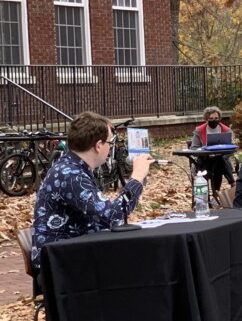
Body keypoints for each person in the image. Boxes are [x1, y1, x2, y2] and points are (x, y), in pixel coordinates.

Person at [30, 111, 154, 273]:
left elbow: (102, 216)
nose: (110, 148)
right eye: (110, 143)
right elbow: (113, 216)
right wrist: (136, 177)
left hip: (71, 252)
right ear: (98, 145)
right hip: (59, 264)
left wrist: (138, 180)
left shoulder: (72, 168)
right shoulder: (70, 175)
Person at [189, 105, 235, 195]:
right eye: (211, 118)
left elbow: (230, 149)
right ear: (206, 119)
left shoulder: (226, 130)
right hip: (205, 162)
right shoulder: (199, 131)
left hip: (222, 161)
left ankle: (215, 193)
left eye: (216, 118)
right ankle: (231, 183)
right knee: (219, 161)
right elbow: (193, 148)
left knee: (219, 160)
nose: (214, 120)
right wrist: (205, 150)